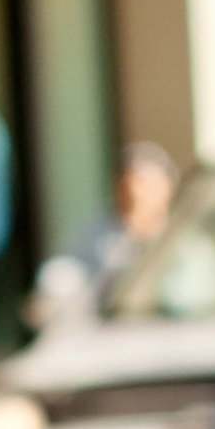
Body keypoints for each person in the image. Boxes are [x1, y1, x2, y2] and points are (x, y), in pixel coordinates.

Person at [29, 139, 180, 329]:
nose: (137, 194)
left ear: (168, 189)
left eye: (146, 184)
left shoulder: (183, 236)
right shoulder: (97, 234)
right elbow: (64, 272)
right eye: (128, 185)